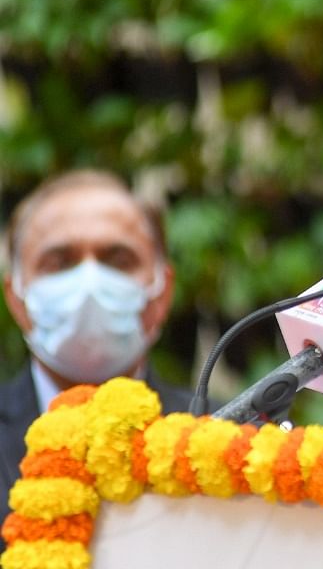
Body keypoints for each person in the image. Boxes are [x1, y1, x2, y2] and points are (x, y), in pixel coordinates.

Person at [0, 170, 193, 549]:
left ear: (162, 293)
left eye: (118, 260)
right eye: (59, 261)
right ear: (16, 298)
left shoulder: (230, 434)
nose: (89, 282)